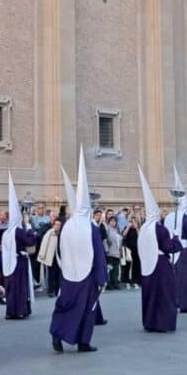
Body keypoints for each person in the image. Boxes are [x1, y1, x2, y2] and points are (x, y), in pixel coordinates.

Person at [50, 150, 107, 352]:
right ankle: (83, 341)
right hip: (87, 276)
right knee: (85, 309)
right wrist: (102, 277)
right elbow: (99, 254)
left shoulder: (66, 225)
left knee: (65, 304)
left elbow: (59, 250)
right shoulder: (91, 228)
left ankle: (57, 334)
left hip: (68, 275)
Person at [136, 166, 182, 333]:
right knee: (164, 294)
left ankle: (150, 322)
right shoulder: (159, 229)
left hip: (148, 266)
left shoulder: (143, 228)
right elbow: (169, 247)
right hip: (161, 265)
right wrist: (176, 238)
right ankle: (162, 323)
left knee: (150, 294)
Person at [165, 167, 187, 313]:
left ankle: (174, 302)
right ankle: (185, 305)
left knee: (173, 279)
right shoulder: (185, 218)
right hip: (184, 252)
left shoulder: (168, 217)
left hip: (170, 251)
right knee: (185, 280)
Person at [2, 174, 35, 320]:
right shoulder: (19, 231)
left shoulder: (6, 232)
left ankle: (10, 311)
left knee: (11, 287)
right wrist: (31, 230)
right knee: (20, 287)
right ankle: (20, 310)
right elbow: (30, 241)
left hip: (9, 262)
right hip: (19, 263)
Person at [38, 219, 62, 297]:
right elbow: (44, 244)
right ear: (53, 225)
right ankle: (51, 291)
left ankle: (58, 290)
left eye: (59, 225)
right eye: (56, 224)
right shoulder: (50, 233)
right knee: (51, 275)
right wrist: (42, 255)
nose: (57, 226)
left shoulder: (62, 234)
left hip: (59, 257)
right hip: (51, 257)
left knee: (58, 274)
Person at [122, 217, 140, 288]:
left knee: (136, 265)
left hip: (136, 249)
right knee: (127, 265)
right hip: (128, 249)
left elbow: (140, 236)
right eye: (131, 221)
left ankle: (135, 281)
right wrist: (128, 227)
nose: (132, 223)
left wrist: (136, 228)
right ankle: (126, 281)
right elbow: (123, 235)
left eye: (134, 221)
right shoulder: (126, 228)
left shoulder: (137, 229)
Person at [104, 216, 122, 290]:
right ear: (109, 222)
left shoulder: (117, 230)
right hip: (110, 253)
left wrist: (120, 251)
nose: (113, 222)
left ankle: (115, 283)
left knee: (116, 270)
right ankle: (109, 284)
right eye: (111, 221)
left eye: (114, 221)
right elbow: (105, 240)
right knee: (110, 270)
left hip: (117, 252)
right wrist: (106, 250)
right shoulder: (107, 229)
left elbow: (120, 241)